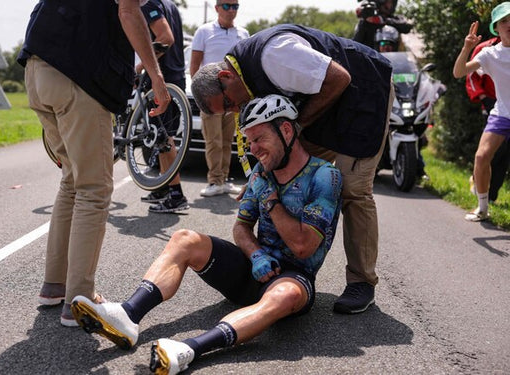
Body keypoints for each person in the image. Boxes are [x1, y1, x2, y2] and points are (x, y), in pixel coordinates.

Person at [70, 95, 342, 374]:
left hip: (293, 278)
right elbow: (242, 226)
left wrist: (271, 201)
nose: (253, 149)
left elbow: (303, 246)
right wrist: (255, 253)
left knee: (284, 295)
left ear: (286, 131)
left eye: (259, 139)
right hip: (254, 269)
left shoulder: (324, 176)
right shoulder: (264, 169)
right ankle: (128, 315)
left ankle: (187, 350)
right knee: (184, 239)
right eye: (249, 142)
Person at [191, 24, 394, 315]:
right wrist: (262, 174)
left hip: (364, 93)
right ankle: (284, 256)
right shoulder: (244, 79)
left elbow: (339, 78)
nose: (235, 110)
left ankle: (362, 281)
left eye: (229, 103)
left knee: (353, 189)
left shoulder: (274, 55)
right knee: (285, 165)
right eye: (228, 111)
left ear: (226, 77)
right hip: (327, 105)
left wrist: (296, 126)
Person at [16, 0, 171, 327]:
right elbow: (129, 11)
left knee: (72, 182)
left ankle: (54, 285)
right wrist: (157, 78)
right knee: (94, 188)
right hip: (77, 76)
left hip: (37, 67)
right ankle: (79, 299)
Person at [453, 2, 510, 222]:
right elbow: (459, 72)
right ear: (497, 27)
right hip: (502, 114)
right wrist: (467, 48)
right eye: (504, 21)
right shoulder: (489, 54)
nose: (509, 24)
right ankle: (483, 208)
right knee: (481, 156)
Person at [189, 0, 249, 197]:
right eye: (226, 6)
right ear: (216, 8)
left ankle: (224, 179)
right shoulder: (204, 31)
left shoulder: (243, 33)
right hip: (212, 97)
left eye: (235, 6)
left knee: (227, 141)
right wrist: (201, 96)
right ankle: (214, 180)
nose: (231, 10)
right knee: (213, 140)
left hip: (232, 98)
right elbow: (195, 65)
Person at [138, 0, 190, 213]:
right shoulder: (168, 3)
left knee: (164, 136)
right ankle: (162, 186)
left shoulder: (148, 3)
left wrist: (140, 66)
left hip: (164, 77)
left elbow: (165, 38)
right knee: (161, 134)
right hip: (174, 75)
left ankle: (176, 193)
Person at [465, 36, 510, 204]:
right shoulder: (486, 49)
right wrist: (482, 97)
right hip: (493, 106)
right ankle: (481, 190)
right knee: (492, 153)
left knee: (504, 155)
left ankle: (492, 196)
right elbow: (470, 76)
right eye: (504, 20)